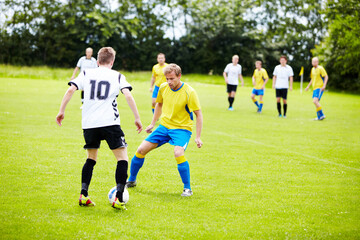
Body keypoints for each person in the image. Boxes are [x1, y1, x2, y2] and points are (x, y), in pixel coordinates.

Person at [56, 47, 143, 210]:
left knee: (91, 158)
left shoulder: (86, 74)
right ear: (112, 62)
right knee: (122, 159)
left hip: (89, 124)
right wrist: (137, 118)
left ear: (97, 61)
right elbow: (128, 95)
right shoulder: (117, 75)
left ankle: (83, 195)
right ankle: (118, 198)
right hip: (110, 123)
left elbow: (70, 89)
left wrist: (61, 111)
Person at [126, 63, 203, 197]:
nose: (169, 82)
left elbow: (198, 114)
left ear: (179, 76)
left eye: (172, 79)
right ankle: (131, 180)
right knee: (140, 150)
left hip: (182, 129)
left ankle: (187, 188)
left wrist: (198, 136)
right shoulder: (163, 87)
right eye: (167, 79)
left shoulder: (189, 92)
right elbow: (159, 104)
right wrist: (152, 123)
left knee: (178, 152)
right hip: (164, 126)